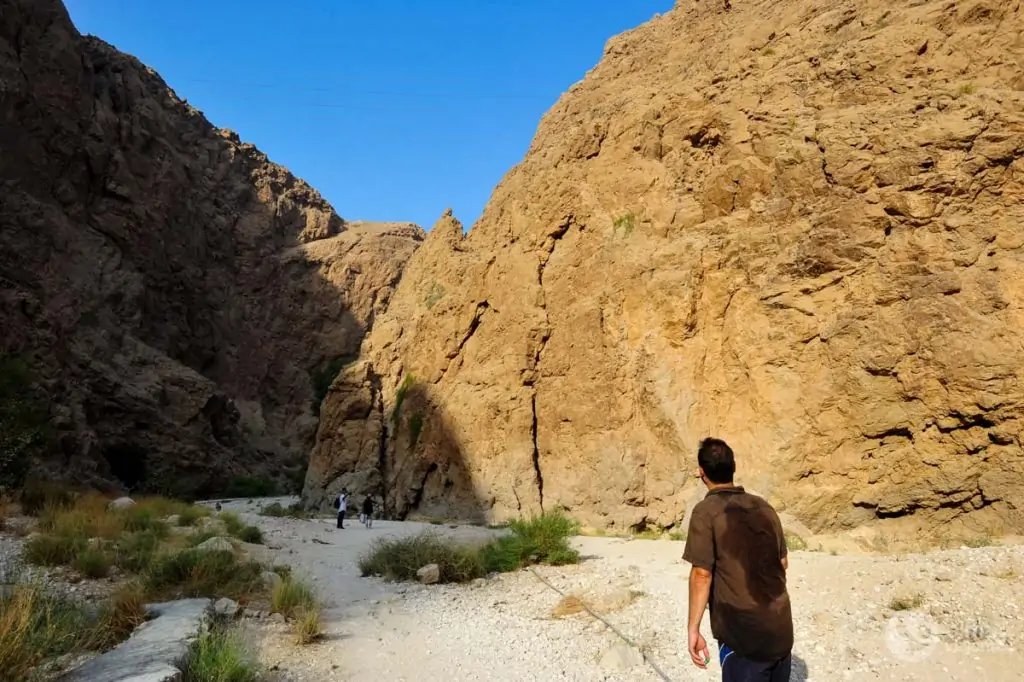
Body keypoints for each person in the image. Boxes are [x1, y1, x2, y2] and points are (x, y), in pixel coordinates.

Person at [683, 438, 793, 681]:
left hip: (745, 641)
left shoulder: (706, 511)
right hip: (781, 631)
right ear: (733, 467)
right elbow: (782, 564)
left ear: (701, 473)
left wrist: (693, 629)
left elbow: (702, 574)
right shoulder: (764, 507)